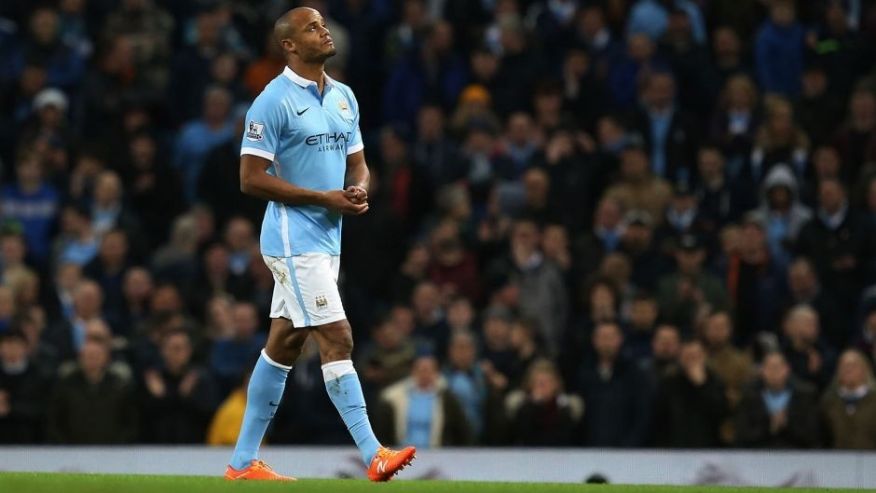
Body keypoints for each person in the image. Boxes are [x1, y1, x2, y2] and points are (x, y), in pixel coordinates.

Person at [227, 7, 414, 482]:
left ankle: (243, 462)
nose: (324, 30)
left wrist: (359, 189)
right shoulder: (272, 101)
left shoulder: (345, 97)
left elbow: (359, 163)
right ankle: (374, 453)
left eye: (323, 24)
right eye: (312, 27)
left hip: (328, 240)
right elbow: (250, 179)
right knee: (338, 336)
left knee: (284, 344)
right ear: (289, 44)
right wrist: (321, 197)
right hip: (292, 239)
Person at [734, 351, 820, 448]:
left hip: (796, 455)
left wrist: (787, 424)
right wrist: (769, 426)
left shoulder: (805, 396)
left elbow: (812, 434)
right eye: (769, 368)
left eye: (777, 368)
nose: (774, 373)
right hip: (759, 455)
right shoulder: (749, 397)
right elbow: (742, 434)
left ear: (787, 369)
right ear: (762, 371)